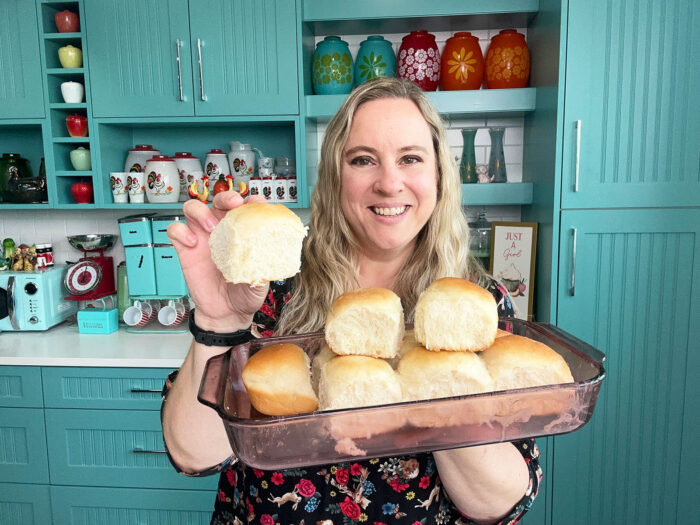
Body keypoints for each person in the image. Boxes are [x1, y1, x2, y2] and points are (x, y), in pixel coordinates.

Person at [162, 77, 541, 524]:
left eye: (411, 158)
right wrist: (217, 319)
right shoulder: (271, 286)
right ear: (335, 177)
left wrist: (441, 386)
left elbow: (500, 503)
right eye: (364, 160)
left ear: (439, 174)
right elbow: (193, 453)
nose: (389, 183)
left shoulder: (475, 306)